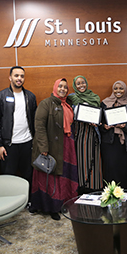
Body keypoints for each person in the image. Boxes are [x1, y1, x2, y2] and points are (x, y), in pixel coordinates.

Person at [30, 79, 78, 220]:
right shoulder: (46, 104)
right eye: (60, 86)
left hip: (66, 145)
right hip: (50, 146)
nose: (62, 89)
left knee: (64, 176)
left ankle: (63, 202)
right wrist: (44, 147)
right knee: (51, 178)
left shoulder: (68, 104)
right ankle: (51, 208)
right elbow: (39, 126)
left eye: (65, 87)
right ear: (55, 87)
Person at [0, 66, 37, 189]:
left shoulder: (30, 96)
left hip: (27, 143)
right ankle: (10, 204)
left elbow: (34, 120)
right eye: (16, 75)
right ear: (10, 77)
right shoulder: (0, 97)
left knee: (28, 175)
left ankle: (28, 202)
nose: (19, 78)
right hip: (8, 145)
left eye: (22, 76)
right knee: (8, 177)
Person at [69, 75, 102, 192]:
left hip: (92, 133)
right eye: (78, 84)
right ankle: (82, 188)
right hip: (79, 134)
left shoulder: (95, 97)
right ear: (74, 86)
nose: (81, 85)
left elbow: (100, 116)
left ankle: (94, 189)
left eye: (83, 82)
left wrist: (97, 122)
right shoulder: (71, 98)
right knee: (81, 161)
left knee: (94, 161)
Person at [100, 80, 127, 188]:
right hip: (109, 142)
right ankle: (109, 196)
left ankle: (122, 196)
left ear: (125, 90)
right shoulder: (105, 103)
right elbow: (99, 123)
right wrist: (104, 127)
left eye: (121, 88)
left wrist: (125, 126)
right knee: (110, 169)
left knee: (122, 169)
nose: (118, 91)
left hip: (123, 143)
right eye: (115, 88)